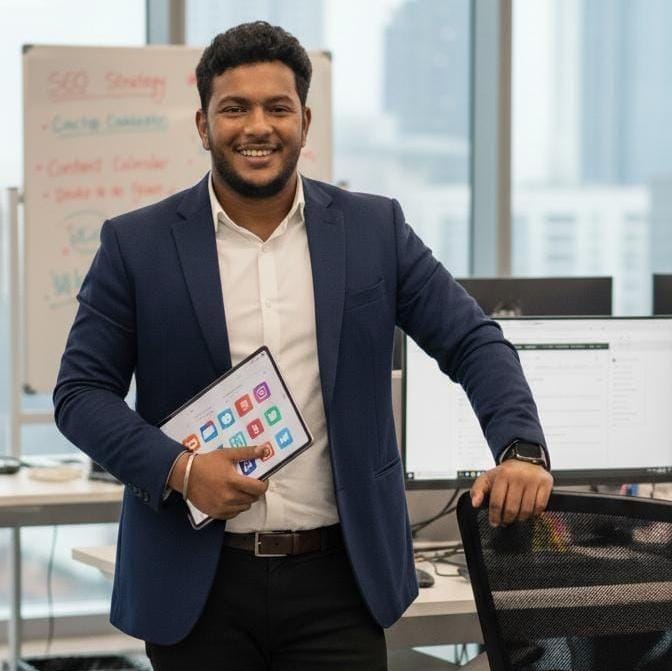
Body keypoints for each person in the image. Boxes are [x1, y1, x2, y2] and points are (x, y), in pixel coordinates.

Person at [53, 21, 553, 671]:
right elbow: (80, 393)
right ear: (203, 125)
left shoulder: (374, 230)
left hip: (339, 583)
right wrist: (182, 470)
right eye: (235, 108)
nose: (257, 126)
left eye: (277, 107)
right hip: (196, 585)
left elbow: (472, 339)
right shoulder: (136, 245)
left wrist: (519, 447)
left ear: (305, 122)